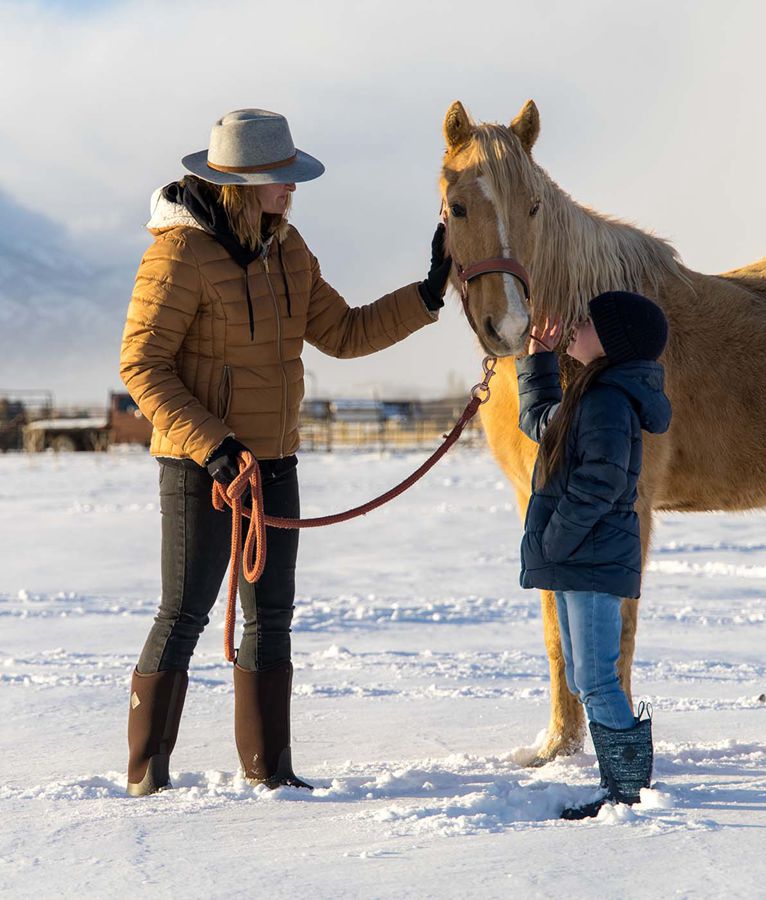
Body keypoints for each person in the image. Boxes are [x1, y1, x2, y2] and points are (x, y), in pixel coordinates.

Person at [120, 108, 451, 796]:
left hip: (273, 461)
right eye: (280, 181)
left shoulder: (288, 248)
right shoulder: (177, 254)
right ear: (241, 185)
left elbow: (345, 332)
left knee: (271, 615)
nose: (292, 191)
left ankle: (271, 773)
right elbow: (142, 366)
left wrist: (427, 294)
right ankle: (146, 775)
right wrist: (213, 446)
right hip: (200, 465)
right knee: (184, 611)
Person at [517, 291, 671, 818]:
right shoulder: (593, 391)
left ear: (612, 342)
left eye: (587, 323)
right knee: (588, 678)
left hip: (591, 560)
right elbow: (542, 423)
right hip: (583, 559)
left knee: (598, 679)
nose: (574, 327)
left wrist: (557, 541)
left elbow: (600, 482)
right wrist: (537, 359)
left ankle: (625, 792)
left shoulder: (606, 400)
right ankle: (622, 786)